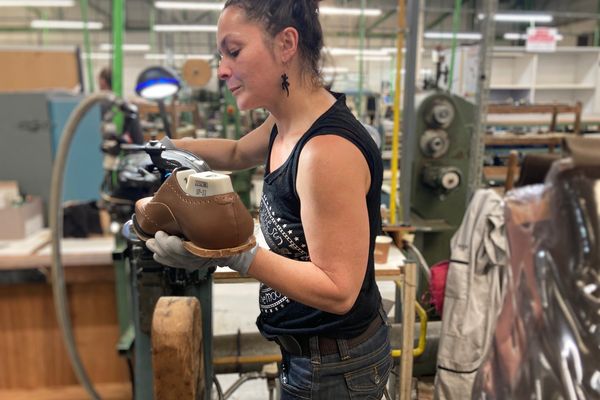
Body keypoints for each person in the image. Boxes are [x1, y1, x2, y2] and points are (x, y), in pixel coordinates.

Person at [146, 1, 391, 398]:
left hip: (335, 366)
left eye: (234, 51)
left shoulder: (325, 151)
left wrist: (233, 253)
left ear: (286, 44)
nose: (222, 69)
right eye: (220, 55)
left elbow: (339, 290)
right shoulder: (287, 121)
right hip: (311, 354)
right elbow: (240, 152)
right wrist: (172, 147)